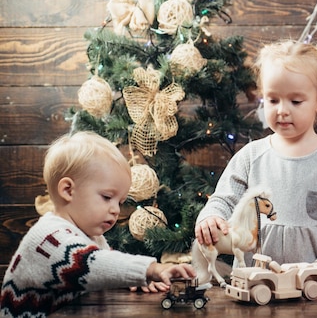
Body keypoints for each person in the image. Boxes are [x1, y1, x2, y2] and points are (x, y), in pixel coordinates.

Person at [195, 39, 317, 277]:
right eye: (273, 100)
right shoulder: (250, 156)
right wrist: (211, 217)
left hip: (315, 288)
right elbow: (223, 200)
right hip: (254, 283)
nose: (282, 110)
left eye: (295, 101)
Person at [0, 131, 196, 317]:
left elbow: (104, 268)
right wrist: (149, 269)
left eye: (119, 202)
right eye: (107, 197)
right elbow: (92, 265)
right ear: (68, 190)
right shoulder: (48, 238)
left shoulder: (89, 236)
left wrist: (136, 279)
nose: (116, 210)